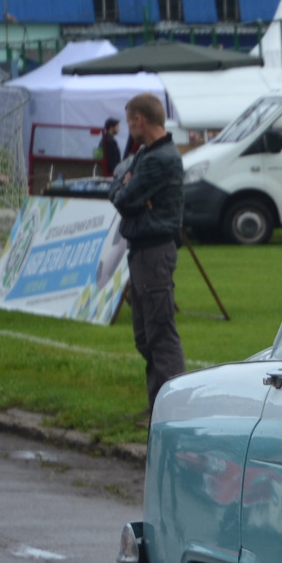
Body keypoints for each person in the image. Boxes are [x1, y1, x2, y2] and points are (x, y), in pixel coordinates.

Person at [108, 93, 185, 411]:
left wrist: (129, 190)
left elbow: (124, 199)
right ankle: (158, 402)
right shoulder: (145, 155)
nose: (128, 128)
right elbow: (118, 189)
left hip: (154, 251)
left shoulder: (160, 158)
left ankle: (173, 408)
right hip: (140, 250)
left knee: (160, 331)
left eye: (129, 121)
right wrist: (127, 189)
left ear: (140, 120)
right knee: (144, 334)